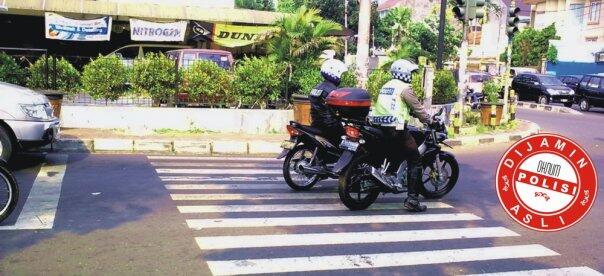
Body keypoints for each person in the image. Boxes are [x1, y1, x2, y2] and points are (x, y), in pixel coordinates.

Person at [371, 59, 435, 212]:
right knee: (415, 159)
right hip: (396, 128)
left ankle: (391, 173)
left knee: (397, 151)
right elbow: (418, 109)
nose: (412, 76)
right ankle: (412, 199)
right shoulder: (405, 88)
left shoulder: (387, 86)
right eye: (410, 73)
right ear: (404, 72)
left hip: (379, 126)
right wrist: (429, 120)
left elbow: (394, 105)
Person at [308, 59, 348, 145]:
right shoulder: (332, 90)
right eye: (340, 74)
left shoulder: (317, 87)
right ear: (335, 72)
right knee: (348, 141)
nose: (341, 77)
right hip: (330, 125)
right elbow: (340, 108)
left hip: (316, 122)